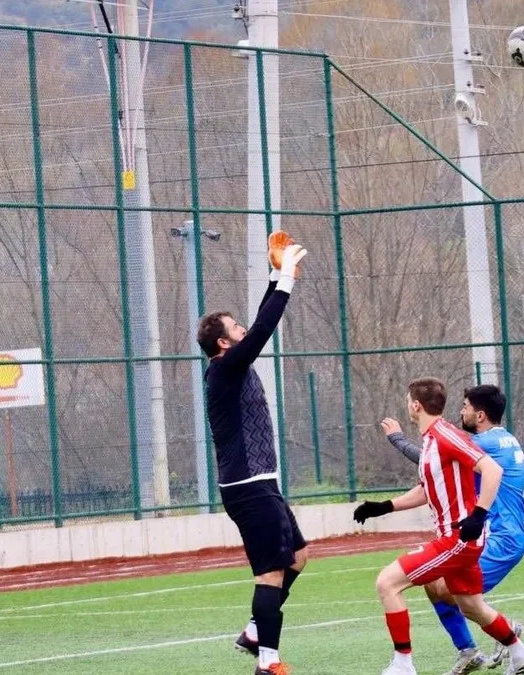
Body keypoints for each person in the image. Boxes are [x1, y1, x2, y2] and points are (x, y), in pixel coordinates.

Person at [355, 378, 524, 675]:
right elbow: (429, 483)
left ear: (415, 405)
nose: (462, 411)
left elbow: (488, 468)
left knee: (388, 582)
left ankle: (404, 664)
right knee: (469, 605)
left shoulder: (450, 437)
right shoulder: (439, 439)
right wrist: (383, 507)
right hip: (478, 535)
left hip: (469, 535)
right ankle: (518, 650)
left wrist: (478, 515)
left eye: (466, 407)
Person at [197, 232, 308, 675]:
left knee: (298, 558)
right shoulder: (225, 370)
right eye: (234, 330)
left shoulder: (231, 362)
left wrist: (274, 274)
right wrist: (284, 280)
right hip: (247, 486)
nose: (242, 330)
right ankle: (268, 662)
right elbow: (263, 328)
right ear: (224, 344)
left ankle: (254, 632)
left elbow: (257, 323)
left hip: (261, 482)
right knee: (271, 571)